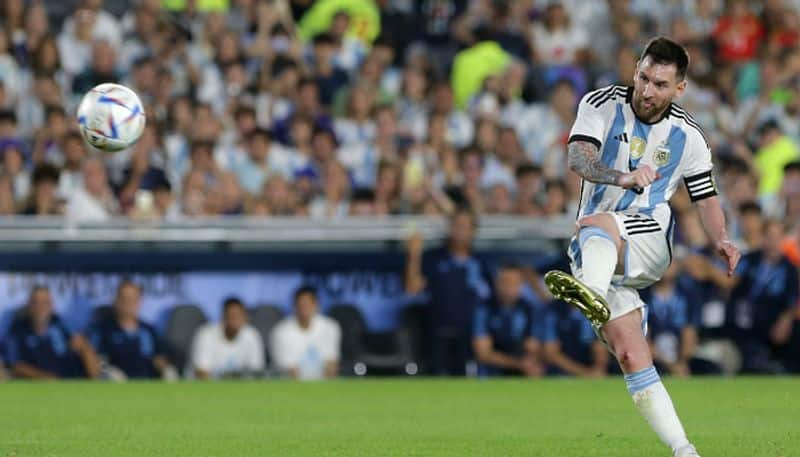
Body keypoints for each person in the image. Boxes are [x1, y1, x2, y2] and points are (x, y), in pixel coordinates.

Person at [544, 38, 740, 457]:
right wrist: (622, 178)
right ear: (636, 70)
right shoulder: (600, 104)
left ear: (679, 89)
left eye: (661, 84)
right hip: (595, 250)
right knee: (631, 353)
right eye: (644, 78)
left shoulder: (688, 136)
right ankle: (684, 448)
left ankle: (590, 296)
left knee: (599, 224)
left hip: (650, 236)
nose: (648, 91)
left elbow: (705, 196)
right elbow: (578, 160)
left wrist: (720, 238)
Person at [405, 208, 492, 375]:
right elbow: (412, 288)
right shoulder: (434, 258)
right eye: (457, 225)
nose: (461, 231)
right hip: (437, 329)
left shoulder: (481, 263)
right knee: (436, 378)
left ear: (474, 231)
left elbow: (489, 300)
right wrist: (414, 255)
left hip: (470, 333)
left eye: (466, 226)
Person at [3, 285, 101, 379]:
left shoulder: (63, 326)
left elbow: (83, 348)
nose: (40, 307)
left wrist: (85, 348)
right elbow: (15, 365)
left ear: (52, 306)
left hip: (68, 386)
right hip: (35, 386)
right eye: (35, 302)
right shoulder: (18, 330)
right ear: (29, 305)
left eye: (45, 303)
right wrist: (45, 378)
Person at [89, 281, 178, 380]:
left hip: (146, 383)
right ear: (116, 301)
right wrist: (108, 371)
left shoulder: (148, 330)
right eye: (125, 300)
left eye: (133, 300)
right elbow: (98, 360)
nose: (129, 304)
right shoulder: (104, 329)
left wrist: (166, 369)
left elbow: (158, 357)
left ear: (140, 302)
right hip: (117, 384)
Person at [472, 263, 544, 377]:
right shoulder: (484, 309)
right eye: (505, 282)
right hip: (492, 374)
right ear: (497, 283)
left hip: (523, 371)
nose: (509, 287)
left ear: (521, 285)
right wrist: (518, 364)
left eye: (514, 283)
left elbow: (532, 347)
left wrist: (528, 363)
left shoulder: (529, 309)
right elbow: (483, 353)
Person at [270, 286, 341, 380]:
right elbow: (288, 370)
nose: (304, 309)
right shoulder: (280, 332)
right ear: (294, 306)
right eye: (301, 305)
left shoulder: (330, 327)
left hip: (323, 385)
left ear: (317, 305)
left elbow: (331, 364)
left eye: (308, 305)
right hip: (292, 387)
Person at [188, 297, 265, 379]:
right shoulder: (206, 334)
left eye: (238, 316)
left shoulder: (252, 334)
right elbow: (201, 372)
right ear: (223, 317)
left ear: (245, 317)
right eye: (231, 316)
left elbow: (257, 371)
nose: (235, 320)